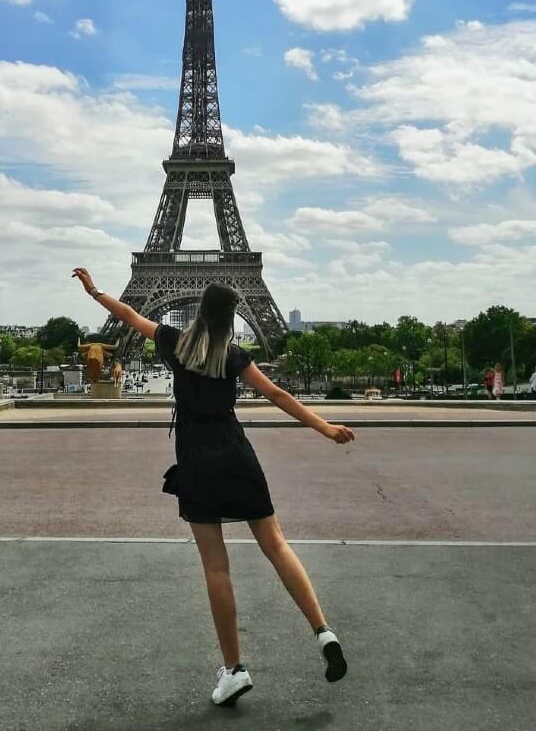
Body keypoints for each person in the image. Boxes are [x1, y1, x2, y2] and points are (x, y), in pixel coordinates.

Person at [72, 268, 355, 706]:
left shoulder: (174, 343)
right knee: (277, 545)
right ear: (231, 319)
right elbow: (279, 395)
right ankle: (323, 631)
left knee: (217, 567)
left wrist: (94, 291)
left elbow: (129, 315)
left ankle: (235, 669)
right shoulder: (235, 356)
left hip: (198, 463)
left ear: (200, 312)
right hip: (237, 455)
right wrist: (325, 427)